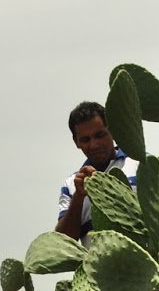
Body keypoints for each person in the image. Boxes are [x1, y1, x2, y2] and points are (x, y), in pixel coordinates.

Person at [55, 100, 136, 245]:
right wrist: (79, 198)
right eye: (85, 139)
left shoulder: (141, 165)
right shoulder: (71, 185)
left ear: (112, 130)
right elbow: (64, 242)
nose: (94, 145)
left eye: (100, 135)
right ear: (76, 142)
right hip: (99, 268)